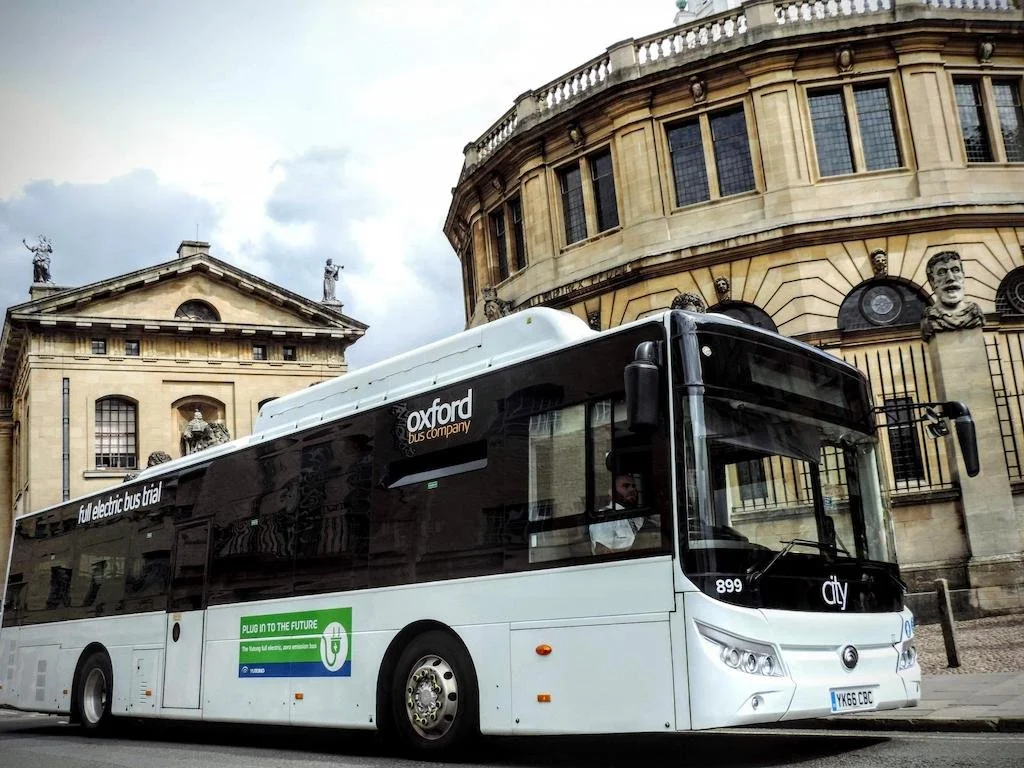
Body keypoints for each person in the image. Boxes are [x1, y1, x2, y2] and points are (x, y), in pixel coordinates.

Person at [590, 473, 657, 554]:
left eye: (634, 486)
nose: (632, 489)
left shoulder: (637, 516)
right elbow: (603, 552)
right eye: (626, 486)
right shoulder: (603, 517)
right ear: (611, 492)